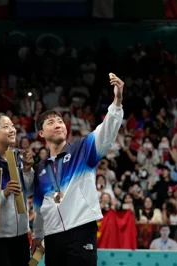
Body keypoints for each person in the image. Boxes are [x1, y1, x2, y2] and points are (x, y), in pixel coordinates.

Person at [31, 73, 124, 266]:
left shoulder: (82, 150)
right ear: (41, 133)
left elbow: (105, 133)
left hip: (81, 230)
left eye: (59, 121)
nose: (57, 125)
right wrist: (37, 235)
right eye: (50, 123)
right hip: (53, 236)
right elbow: (40, 207)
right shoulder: (41, 169)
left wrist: (117, 102)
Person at [0, 114, 35, 266]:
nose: (12, 130)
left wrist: (28, 170)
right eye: (5, 127)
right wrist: (4, 193)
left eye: (11, 126)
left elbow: (27, 192)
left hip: (20, 233)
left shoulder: (18, 156)